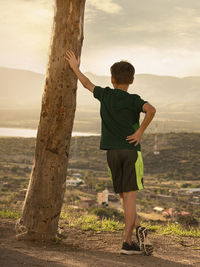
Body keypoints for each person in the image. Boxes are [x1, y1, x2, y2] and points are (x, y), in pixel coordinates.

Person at [65, 50, 156, 255]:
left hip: (112, 153)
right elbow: (151, 110)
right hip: (131, 152)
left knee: (124, 195)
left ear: (112, 79)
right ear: (131, 80)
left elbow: (87, 83)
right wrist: (140, 132)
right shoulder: (134, 99)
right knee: (130, 196)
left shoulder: (105, 94)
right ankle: (127, 242)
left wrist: (74, 67)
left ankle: (139, 229)